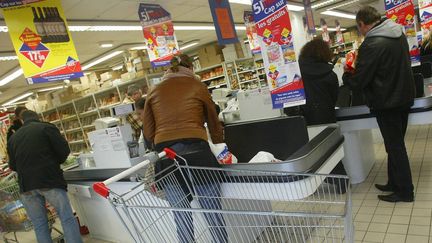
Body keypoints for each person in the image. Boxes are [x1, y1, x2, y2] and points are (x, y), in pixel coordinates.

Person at [142, 54, 227, 243]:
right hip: (198, 153)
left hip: (167, 158)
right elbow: (214, 122)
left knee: (181, 215)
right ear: (191, 68)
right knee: (213, 213)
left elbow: (148, 132)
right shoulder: (197, 86)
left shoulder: (154, 91)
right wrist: (219, 144)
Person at [343, 6, 415, 202]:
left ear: (362, 24)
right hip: (404, 97)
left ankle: (405, 192)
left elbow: (360, 81)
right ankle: (394, 182)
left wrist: (347, 74)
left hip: (386, 102)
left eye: (359, 28)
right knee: (394, 145)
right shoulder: (398, 34)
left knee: (395, 147)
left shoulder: (372, 43)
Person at [7, 110, 83, 243]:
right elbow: (64, 151)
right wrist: (53, 163)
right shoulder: (47, 128)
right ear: (38, 117)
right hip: (49, 180)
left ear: (22, 120)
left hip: (27, 186)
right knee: (66, 217)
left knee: (39, 224)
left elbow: (12, 166)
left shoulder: (13, 138)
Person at [299, 39, 347, 189]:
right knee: (330, 150)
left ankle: (309, 184)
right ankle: (340, 182)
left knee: (306, 153)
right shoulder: (330, 74)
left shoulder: (297, 73)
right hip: (326, 116)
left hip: (303, 118)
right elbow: (334, 97)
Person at [299, 39, 339, 125]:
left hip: (302, 121)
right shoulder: (331, 75)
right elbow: (334, 98)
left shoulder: (297, 76)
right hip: (327, 119)